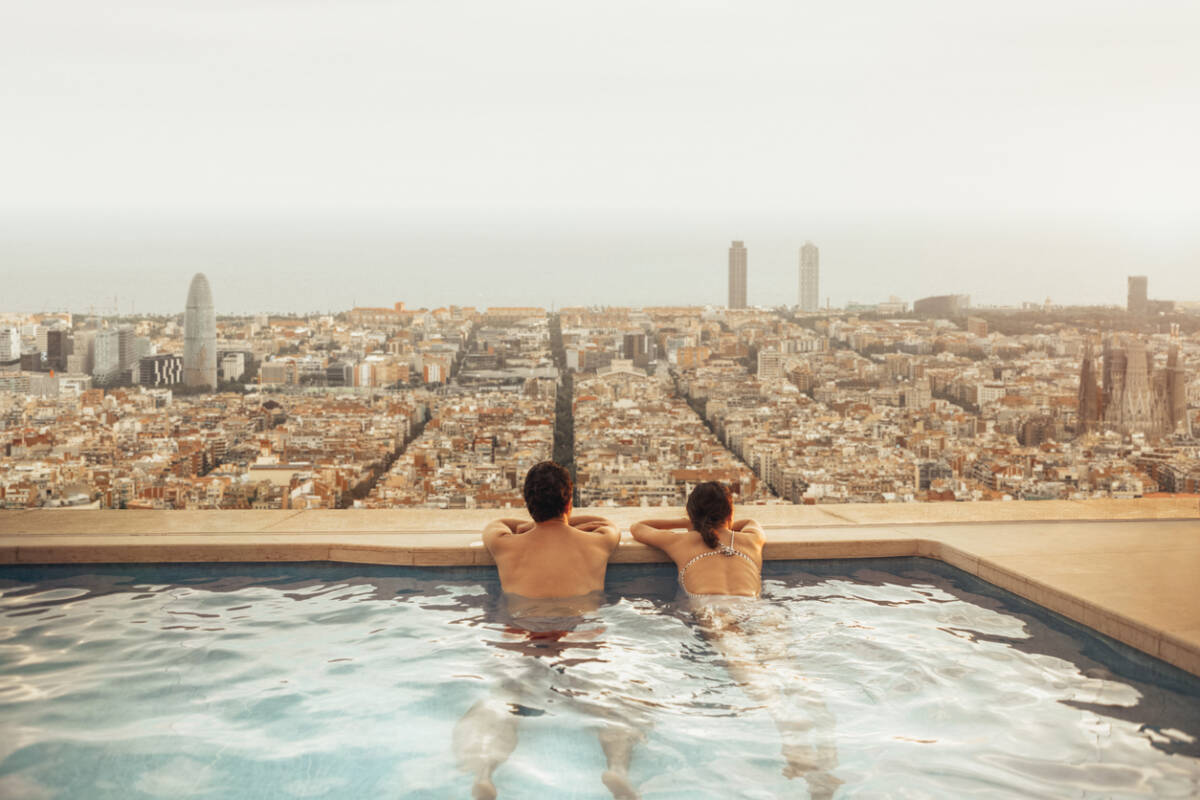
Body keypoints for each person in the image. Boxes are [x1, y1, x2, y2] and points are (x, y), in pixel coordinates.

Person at [631, 481, 842, 799]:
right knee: (787, 668)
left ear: (693, 516)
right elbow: (751, 522)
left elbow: (638, 527)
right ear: (729, 513)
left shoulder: (683, 543)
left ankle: (786, 726)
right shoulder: (750, 539)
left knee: (750, 673)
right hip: (758, 610)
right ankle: (823, 749)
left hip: (715, 611)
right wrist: (722, 522)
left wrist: (690, 524)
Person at [453, 461, 641, 800]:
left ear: (528, 504)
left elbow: (497, 524)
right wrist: (567, 520)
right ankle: (617, 769)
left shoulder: (505, 545)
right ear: (569, 503)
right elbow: (607, 524)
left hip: (521, 636)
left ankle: (484, 774)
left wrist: (528, 525)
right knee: (613, 707)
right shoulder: (597, 543)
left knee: (504, 704)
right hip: (578, 637)